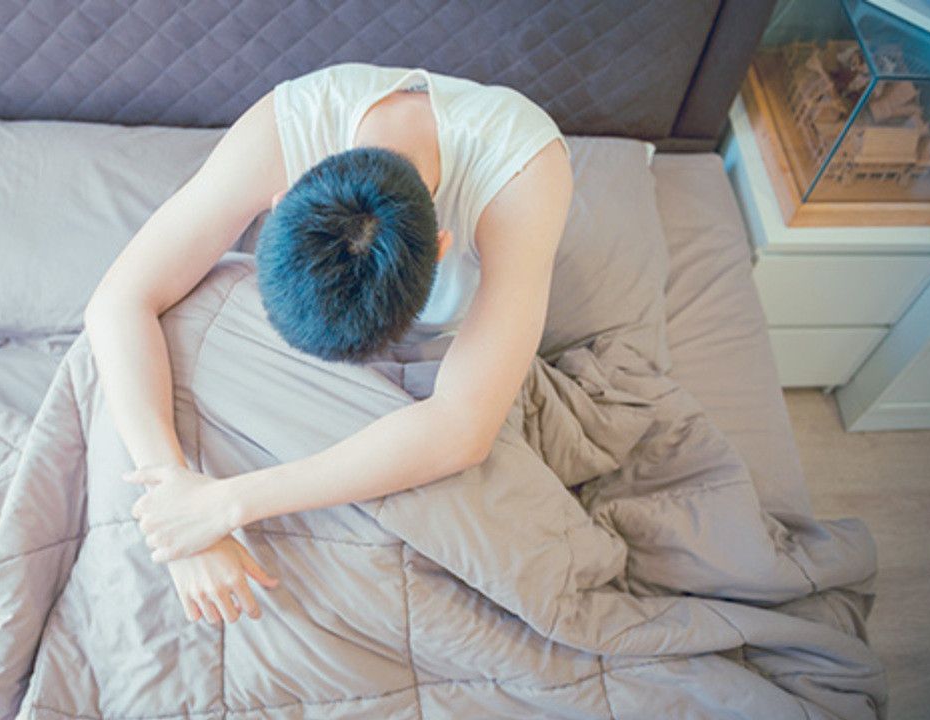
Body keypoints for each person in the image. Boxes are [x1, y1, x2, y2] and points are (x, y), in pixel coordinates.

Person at [83, 62, 573, 626]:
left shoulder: (522, 173)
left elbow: (463, 429)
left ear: (440, 248)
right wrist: (172, 502)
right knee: (124, 374)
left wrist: (224, 505)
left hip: (439, 373)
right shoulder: (284, 130)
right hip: (274, 343)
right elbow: (118, 300)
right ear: (282, 200)